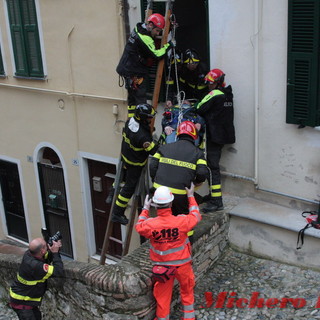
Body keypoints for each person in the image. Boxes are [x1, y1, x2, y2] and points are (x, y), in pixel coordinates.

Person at [135, 183, 201, 320]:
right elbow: (196, 215)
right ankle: (189, 318)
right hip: (183, 265)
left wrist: (145, 208)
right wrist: (190, 196)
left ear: (156, 205)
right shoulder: (181, 221)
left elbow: (139, 226)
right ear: (171, 203)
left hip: (162, 268)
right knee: (187, 292)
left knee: (163, 297)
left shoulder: (150, 225)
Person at [116, 13, 174, 118]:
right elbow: (157, 54)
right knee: (140, 100)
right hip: (134, 73)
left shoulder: (138, 28)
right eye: (157, 31)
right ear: (150, 25)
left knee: (132, 100)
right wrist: (169, 45)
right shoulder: (145, 38)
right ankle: (140, 122)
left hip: (127, 69)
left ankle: (132, 121)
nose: (157, 34)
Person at [195, 68, 235, 213]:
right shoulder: (227, 94)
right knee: (213, 166)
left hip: (214, 136)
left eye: (211, 83)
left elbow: (199, 108)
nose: (208, 86)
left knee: (212, 168)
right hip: (222, 135)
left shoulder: (214, 94)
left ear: (217, 83)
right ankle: (213, 195)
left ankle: (217, 201)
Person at [111, 103, 158, 225]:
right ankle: (117, 213)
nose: (150, 119)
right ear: (142, 117)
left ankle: (112, 193)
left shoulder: (130, 121)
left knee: (120, 177)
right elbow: (153, 151)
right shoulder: (143, 136)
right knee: (128, 188)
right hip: (135, 163)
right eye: (149, 117)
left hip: (125, 156)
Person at [150, 121, 208, 218]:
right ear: (194, 136)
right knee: (183, 221)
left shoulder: (163, 148)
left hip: (159, 191)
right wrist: (194, 183)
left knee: (162, 220)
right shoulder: (198, 153)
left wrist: (155, 180)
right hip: (180, 194)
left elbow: (152, 166)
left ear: (178, 134)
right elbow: (202, 173)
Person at [9, 237, 64, 320]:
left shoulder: (29, 254)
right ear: (42, 251)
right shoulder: (36, 266)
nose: (47, 246)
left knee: (37, 316)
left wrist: (54, 249)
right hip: (22, 302)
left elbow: (45, 257)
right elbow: (58, 271)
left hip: (24, 298)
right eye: (46, 246)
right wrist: (55, 253)